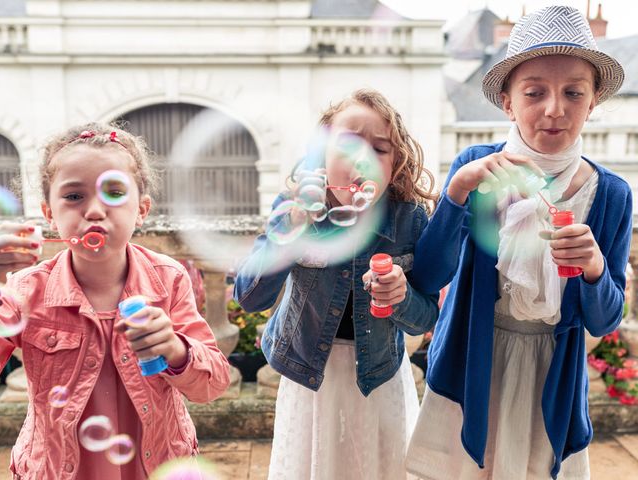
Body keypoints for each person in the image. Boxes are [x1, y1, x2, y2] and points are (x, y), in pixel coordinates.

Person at [406, 6, 631, 480]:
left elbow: (605, 319)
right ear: (508, 103)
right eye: (534, 93)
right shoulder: (475, 168)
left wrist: (593, 268)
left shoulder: (610, 194)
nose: (555, 108)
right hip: (473, 364)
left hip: (553, 377)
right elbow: (428, 275)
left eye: (574, 92)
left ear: (592, 103)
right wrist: (455, 194)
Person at [0, 124, 231, 479]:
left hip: (154, 464)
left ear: (142, 209)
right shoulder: (26, 290)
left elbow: (212, 384)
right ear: (48, 214)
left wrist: (176, 349)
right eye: (74, 196)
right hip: (59, 469)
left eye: (114, 193)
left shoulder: (167, 279)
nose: (94, 211)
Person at [234, 89, 439, 480]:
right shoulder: (295, 208)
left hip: (378, 377)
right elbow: (249, 296)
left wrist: (401, 297)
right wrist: (290, 232)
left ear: (395, 165)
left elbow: (424, 318)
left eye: (379, 149)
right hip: (310, 377)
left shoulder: (408, 218)